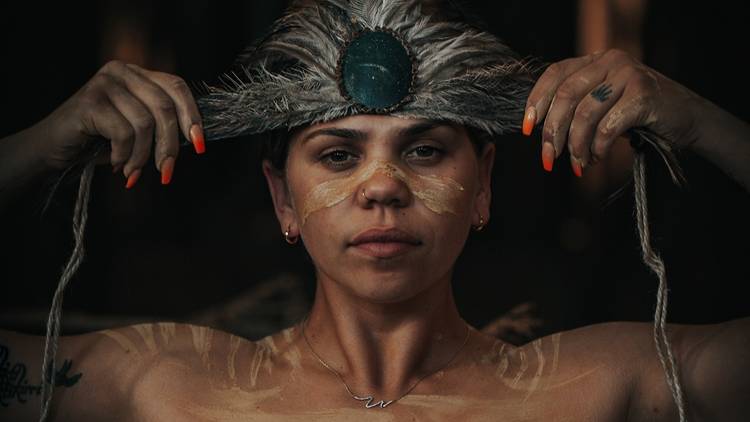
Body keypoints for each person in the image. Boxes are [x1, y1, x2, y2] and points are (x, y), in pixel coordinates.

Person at [1, 0, 749, 421]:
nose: (382, 185)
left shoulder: (599, 384)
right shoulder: (168, 385)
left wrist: (696, 120)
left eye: (424, 151)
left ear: (483, 186)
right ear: (282, 200)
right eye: (337, 154)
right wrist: (38, 144)